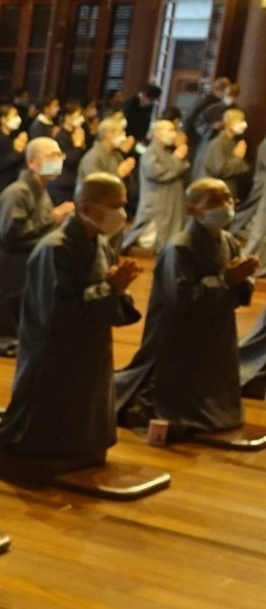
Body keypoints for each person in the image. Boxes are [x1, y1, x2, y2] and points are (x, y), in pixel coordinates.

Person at [0, 174, 143, 471]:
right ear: (86, 208)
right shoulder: (55, 248)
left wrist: (117, 291)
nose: (121, 214)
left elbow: (105, 295)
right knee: (42, 434)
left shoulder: (98, 243)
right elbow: (57, 312)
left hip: (90, 346)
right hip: (54, 354)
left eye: (124, 205)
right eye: (115, 206)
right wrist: (110, 289)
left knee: (86, 410)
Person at [113, 178, 258, 440]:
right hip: (181, 336)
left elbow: (238, 285)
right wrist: (227, 281)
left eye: (228, 199)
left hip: (217, 332)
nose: (225, 206)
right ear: (192, 209)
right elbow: (181, 299)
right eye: (214, 201)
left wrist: (242, 281)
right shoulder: (180, 247)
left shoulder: (229, 242)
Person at [0, 137, 73, 349]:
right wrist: (53, 218)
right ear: (31, 163)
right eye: (51, 156)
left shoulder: (40, 191)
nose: (58, 160)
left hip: (22, 265)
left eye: (59, 155)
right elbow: (13, 233)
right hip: (5, 266)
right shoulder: (17, 192)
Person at [126, 119, 191, 251]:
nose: (174, 134)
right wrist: (176, 158)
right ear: (158, 134)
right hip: (157, 202)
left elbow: (184, 168)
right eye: (170, 131)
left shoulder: (167, 151)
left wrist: (177, 158)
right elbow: (157, 174)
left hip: (171, 201)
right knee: (149, 236)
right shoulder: (151, 153)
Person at [192, 107, 250, 196]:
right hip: (214, 193)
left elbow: (243, 168)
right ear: (228, 124)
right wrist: (238, 157)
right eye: (240, 121)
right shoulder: (217, 144)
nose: (244, 124)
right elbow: (220, 170)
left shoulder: (233, 142)